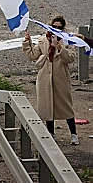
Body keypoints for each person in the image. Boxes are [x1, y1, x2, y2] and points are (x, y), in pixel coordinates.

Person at [23, 16, 79, 145]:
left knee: (66, 105)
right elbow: (33, 55)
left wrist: (60, 48)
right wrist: (27, 42)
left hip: (61, 77)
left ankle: (74, 134)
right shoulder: (43, 40)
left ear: (63, 28)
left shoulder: (67, 41)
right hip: (45, 77)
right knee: (48, 105)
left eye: (59, 27)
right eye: (54, 27)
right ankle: (51, 133)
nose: (56, 29)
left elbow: (70, 58)